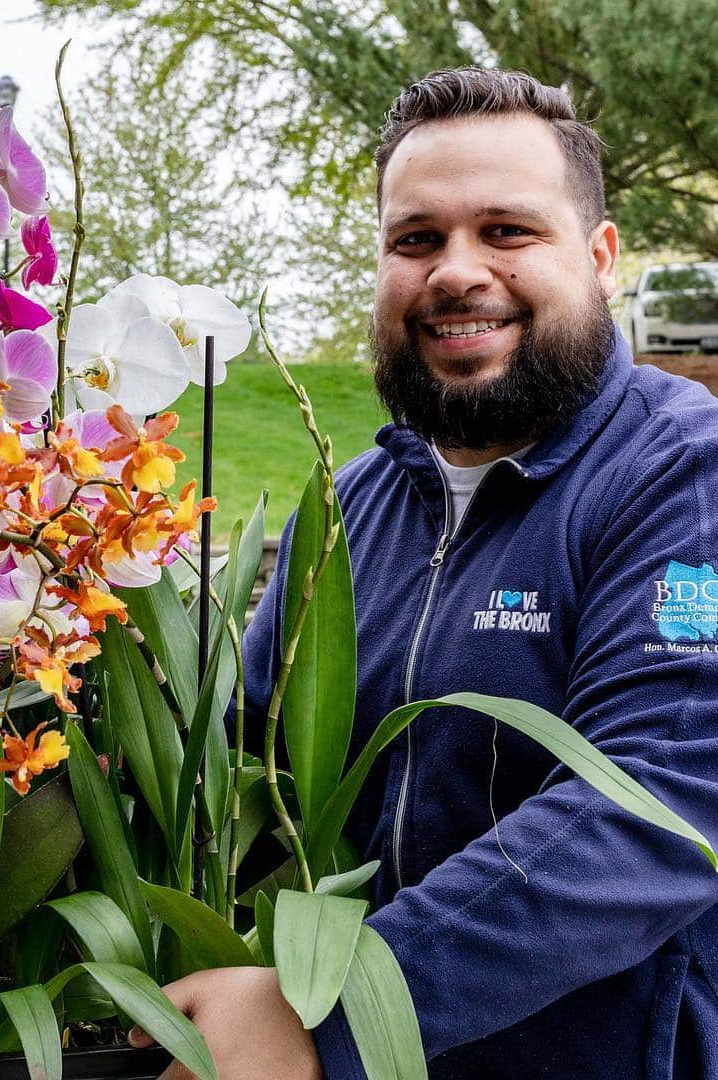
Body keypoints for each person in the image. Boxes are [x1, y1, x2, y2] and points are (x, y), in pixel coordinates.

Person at [128, 67, 718, 1078]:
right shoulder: (355, 499)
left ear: (602, 256)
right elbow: (240, 756)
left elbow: (651, 806)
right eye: (417, 240)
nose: (455, 272)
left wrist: (334, 1011)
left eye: (508, 231)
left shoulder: (682, 474)